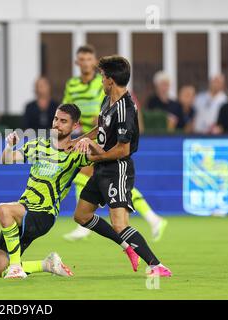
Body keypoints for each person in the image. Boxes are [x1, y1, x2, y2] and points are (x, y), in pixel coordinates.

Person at [0, 104, 139, 279]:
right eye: (56, 119)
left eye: (63, 121)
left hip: (43, 213)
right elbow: (6, 160)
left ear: (74, 126)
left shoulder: (76, 153)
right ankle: (46, 264)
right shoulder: (39, 145)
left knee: (3, 210)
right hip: (24, 210)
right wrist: (10, 146)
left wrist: (90, 142)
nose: (57, 124)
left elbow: (104, 155)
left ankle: (15, 267)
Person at [72, 55, 172, 277]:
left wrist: (94, 157)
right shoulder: (107, 102)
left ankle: (157, 266)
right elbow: (99, 130)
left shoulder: (126, 108)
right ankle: (127, 246)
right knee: (82, 215)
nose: (101, 81)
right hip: (101, 169)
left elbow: (123, 150)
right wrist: (76, 140)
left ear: (110, 80)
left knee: (120, 224)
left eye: (102, 77)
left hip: (117, 169)